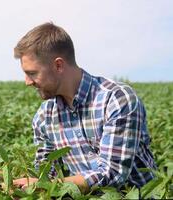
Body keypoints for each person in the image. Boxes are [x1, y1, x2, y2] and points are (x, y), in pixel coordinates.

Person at [11, 22, 156, 193]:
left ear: (58, 65)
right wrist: (6, 181)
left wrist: (46, 186)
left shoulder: (116, 99)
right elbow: (44, 175)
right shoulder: (45, 116)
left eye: (32, 73)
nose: (27, 82)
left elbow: (113, 174)